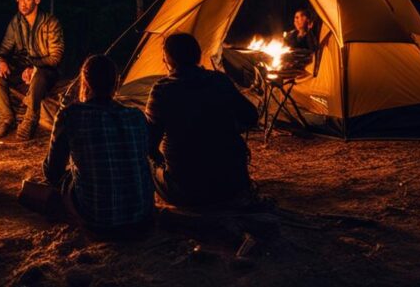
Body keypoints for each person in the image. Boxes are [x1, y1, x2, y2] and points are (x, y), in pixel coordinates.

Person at [146, 33, 259, 208]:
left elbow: (149, 143)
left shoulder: (162, 90)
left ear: (168, 59)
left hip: (186, 193)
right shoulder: (220, 81)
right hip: (232, 187)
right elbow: (251, 116)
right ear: (198, 55)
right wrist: (227, 129)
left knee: (146, 160)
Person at [43, 55, 153, 234]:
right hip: (140, 220)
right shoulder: (136, 116)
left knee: (64, 183)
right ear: (116, 83)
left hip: (98, 220)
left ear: (85, 83)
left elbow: (53, 171)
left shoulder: (71, 115)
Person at [0, 0, 65, 141]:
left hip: (46, 70)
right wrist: (1, 60)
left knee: (40, 75)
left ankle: (30, 119)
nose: (22, 3)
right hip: (22, 68)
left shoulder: (50, 23)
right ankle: (6, 117)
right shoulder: (16, 23)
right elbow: (4, 49)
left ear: (36, 1)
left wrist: (34, 67)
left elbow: (55, 57)